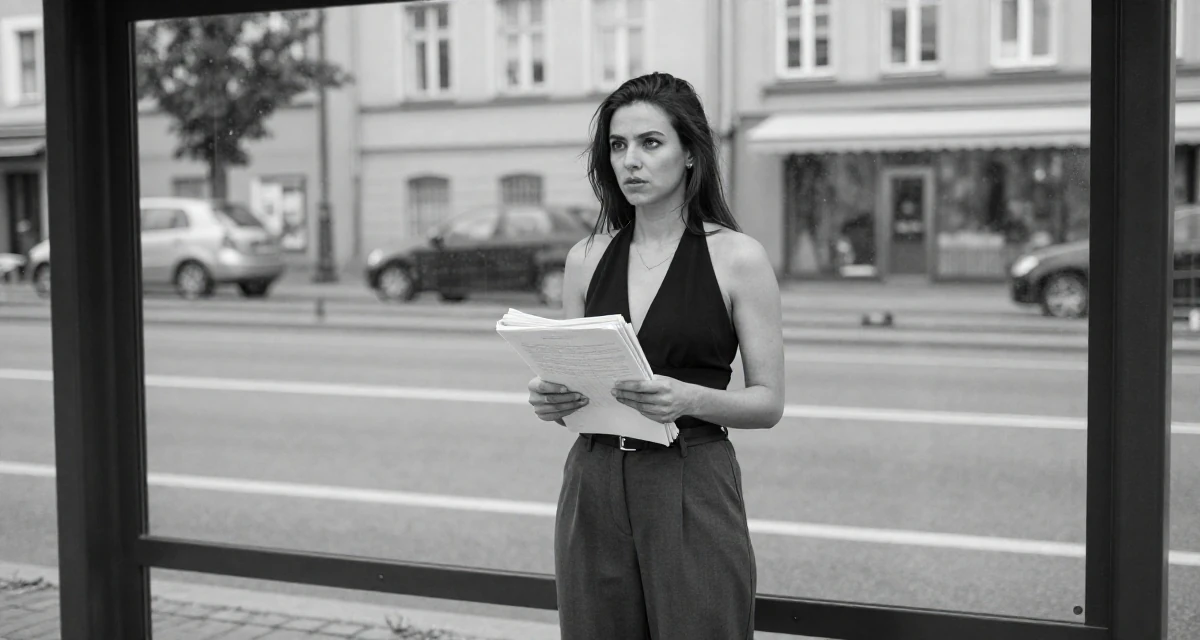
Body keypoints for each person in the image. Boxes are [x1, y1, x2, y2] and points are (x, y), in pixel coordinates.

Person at [525, 72, 785, 640]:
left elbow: (768, 403)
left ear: (690, 153)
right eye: (618, 146)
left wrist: (689, 397)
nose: (630, 162)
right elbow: (578, 388)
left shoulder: (738, 258)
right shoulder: (586, 258)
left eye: (650, 143)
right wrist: (553, 400)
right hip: (592, 478)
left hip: (690, 474)